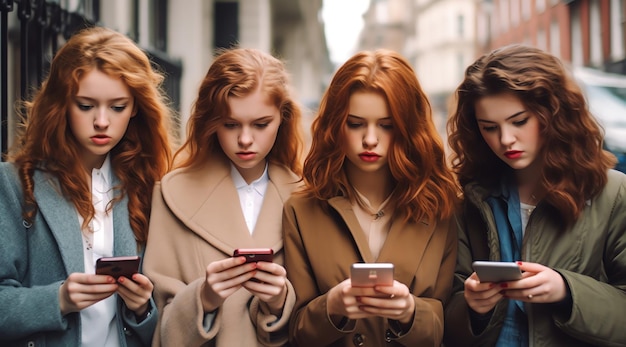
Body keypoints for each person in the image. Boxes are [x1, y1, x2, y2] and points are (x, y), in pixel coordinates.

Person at [0, 26, 174, 346]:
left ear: (136, 108)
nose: (102, 121)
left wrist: (140, 308)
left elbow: (174, 318)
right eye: (86, 105)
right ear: (63, 104)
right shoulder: (13, 184)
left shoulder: (151, 187)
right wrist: (58, 299)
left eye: (118, 106)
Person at [444, 44, 626, 346]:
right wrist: (473, 308)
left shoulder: (613, 193)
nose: (505, 139)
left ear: (554, 112)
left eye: (519, 121)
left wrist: (567, 291)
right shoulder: (470, 199)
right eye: (489, 127)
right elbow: (449, 318)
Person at [283, 49, 460, 346]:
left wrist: (409, 311)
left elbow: (445, 324)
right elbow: (297, 329)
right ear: (336, 125)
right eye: (355, 124)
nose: (370, 139)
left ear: (407, 128)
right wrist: (332, 307)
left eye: (386, 125)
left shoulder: (440, 207)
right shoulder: (301, 210)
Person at [142, 47, 304, 346]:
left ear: (282, 119)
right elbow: (154, 318)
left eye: (260, 124)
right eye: (230, 125)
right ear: (211, 122)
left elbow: (320, 317)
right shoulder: (172, 194)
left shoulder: (306, 198)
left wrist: (281, 301)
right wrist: (203, 298)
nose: (245, 139)